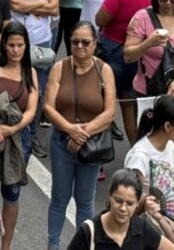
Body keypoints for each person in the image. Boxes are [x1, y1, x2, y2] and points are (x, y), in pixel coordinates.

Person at [44, 21, 118, 250]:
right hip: (61, 142)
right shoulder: (59, 68)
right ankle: (53, 245)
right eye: (75, 42)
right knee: (59, 198)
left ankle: (82, 246)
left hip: (91, 145)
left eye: (85, 42)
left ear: (95, 44)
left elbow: (110, 112)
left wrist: (81, 133)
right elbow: (48, 107)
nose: (79, 47)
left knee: (85, 202)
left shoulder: (104, 70)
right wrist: (69, 129)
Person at [0, 22, 39, 250]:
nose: (15, 50)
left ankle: (6, 247)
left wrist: (12, 129)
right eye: (11, 45)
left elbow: (31, 110)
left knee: (12, 194)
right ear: (4, 45)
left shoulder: (30, 72)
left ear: (26, 46)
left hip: (17, 138)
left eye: (20, 45)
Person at [95, 0, 154, 144]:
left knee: (104, 101)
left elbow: (100, 20)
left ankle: (98, 150)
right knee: (129, 103)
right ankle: (135, 148)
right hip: (143, 53)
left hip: (115, 51)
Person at [123, 95, 174, 246]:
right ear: (167, 126)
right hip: (145, 226)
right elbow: (128, 200)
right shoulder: (140, 156)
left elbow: (170, 189)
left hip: (166, 219)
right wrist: (147, 202)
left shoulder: (170, 146)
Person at [64, 169, 171, 250]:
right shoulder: (89, 232)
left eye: (129, 203)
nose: (123, 208)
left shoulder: (142, 228)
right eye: (118, 201)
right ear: (109, 196)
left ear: (137, 202)